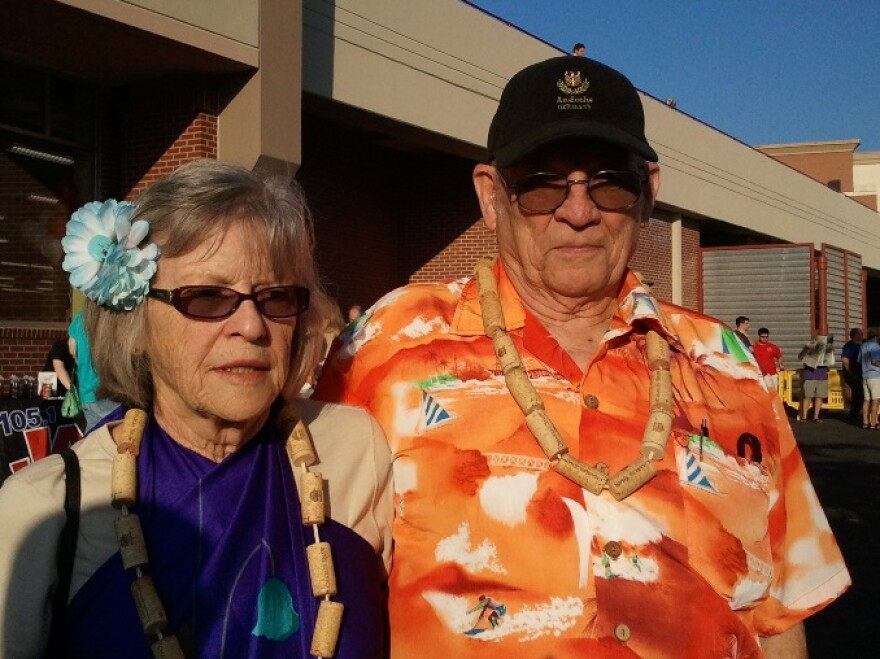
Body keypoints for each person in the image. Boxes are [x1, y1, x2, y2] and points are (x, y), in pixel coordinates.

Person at [316, 56, 849, 657]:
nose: (578, 211)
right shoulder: (386, 349)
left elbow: (776, 617)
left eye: (609, 181)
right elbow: (308, 570)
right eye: (542, 183)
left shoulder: (726, 363)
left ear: (647, 193)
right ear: (491, 198)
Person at [0, 160, 393, 657]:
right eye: (207, 297)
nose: (251, 326)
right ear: (135, 325)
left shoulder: (356, 454)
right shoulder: (49, 510)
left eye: (274, 297)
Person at [68, 310, 118, 431]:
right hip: (110, 391)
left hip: (86, 392)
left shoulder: (81, 318)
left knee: (92, 435)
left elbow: (72, 349)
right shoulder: (115, 315)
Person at [797, 335, 834, 423]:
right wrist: (806, 348)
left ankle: (816, 416)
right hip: (810, 375)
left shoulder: (825, 349)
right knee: (808, 396)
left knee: (819, 396)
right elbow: (800, 357)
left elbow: (829, 361)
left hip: (822, 375)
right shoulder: (808, 349)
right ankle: (804, 416)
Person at [841, 327, 864, 420]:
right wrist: (849, 371)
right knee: (858, 393)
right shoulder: (850, 346)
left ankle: (859, 412)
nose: (862, 336)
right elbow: (845, 358)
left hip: (861, 372)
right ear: (854, 335)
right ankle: (854, 414)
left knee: (862, 393)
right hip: (853, 373)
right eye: (860, 334)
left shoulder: (862, 345)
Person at [860, 327, 880, 429]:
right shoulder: (875, 346)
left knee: (866, 400)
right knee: (875, 400)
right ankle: (873, 422)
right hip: (875, 376)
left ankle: (865, 421)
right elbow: (875, 361)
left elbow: (859, 360)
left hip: (865, 375)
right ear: (877, 335)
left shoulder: (863, 346)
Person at [752, 327, 784, 392]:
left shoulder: (772, 346)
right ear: (759, 336)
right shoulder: (754, 346)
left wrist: (780, 364)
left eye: (766, 337)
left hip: (772, 374)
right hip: (760, 374)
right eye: (763, 337)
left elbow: (779, 356)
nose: (765, 339)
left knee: (773, 392)